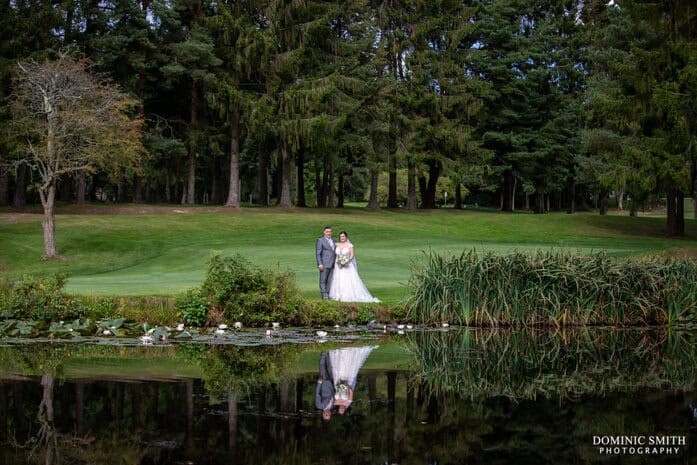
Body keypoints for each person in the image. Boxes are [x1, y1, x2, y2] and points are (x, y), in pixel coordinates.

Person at [328, 231, 379, 303]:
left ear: (346, 237)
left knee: (347, 280)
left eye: (343, 236)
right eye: (341, 236)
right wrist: (340, 262)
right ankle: (338, 295)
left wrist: (346, 262)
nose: (342, 238)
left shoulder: (350, 245)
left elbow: (352, 255)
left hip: (347, 265)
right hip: (338, 265)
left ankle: (348, 295)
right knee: (338, 279)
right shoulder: (337, 244)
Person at [327, 345, 378, 415]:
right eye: (342, 410)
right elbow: (351, 391)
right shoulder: (348, 401)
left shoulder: (335, 402)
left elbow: (334, 391)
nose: (341, 409)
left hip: (338, 380)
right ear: (344, 409)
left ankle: (341, 352)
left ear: (338, 409)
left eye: (340, 409)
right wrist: (345, 385)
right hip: (348, 381)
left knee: (340, 367)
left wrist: (339, 384)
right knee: (348, 366)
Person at [316, 226, 336, 300]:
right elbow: (318, 253)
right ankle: (324, 294)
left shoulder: (334, 240)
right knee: (323, 280)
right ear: (324, 232)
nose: (329, 233)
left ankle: (328, 294)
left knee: (329, 280)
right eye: (327, 232)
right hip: (324, 264)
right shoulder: (320, 240)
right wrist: (320, 264)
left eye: (330, 231)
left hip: (333, 264)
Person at [315, 351, 335, 420]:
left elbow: (317, 394)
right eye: (329, 415)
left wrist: (319, 383)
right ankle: (328, 352)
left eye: (326, 415)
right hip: (332, 383)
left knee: (322, 367)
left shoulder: (319, 406)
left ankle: (323, 353)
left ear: (323, 414)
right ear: (330, 414)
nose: (328, 414)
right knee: (329, 367)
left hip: (324, 383)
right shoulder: (332, 406)